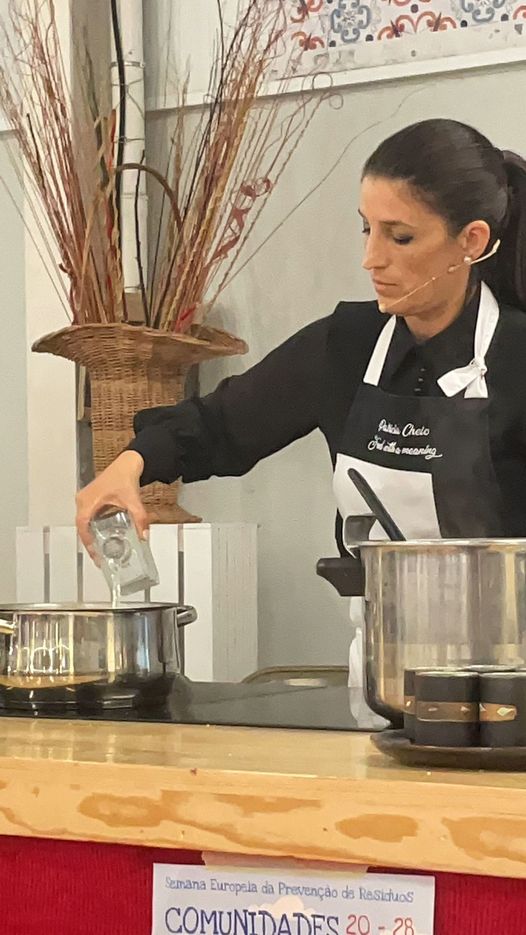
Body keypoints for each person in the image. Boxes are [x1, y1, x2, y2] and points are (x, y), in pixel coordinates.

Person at [76, 119, 526, 665]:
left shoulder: (516, 359)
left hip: (511, 671)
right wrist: (127, 467)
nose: (371, 258)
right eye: (366, 229)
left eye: (400, 237)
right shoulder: (346, 347)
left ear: (471, 241)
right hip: (381, 666)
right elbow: (219, 425)